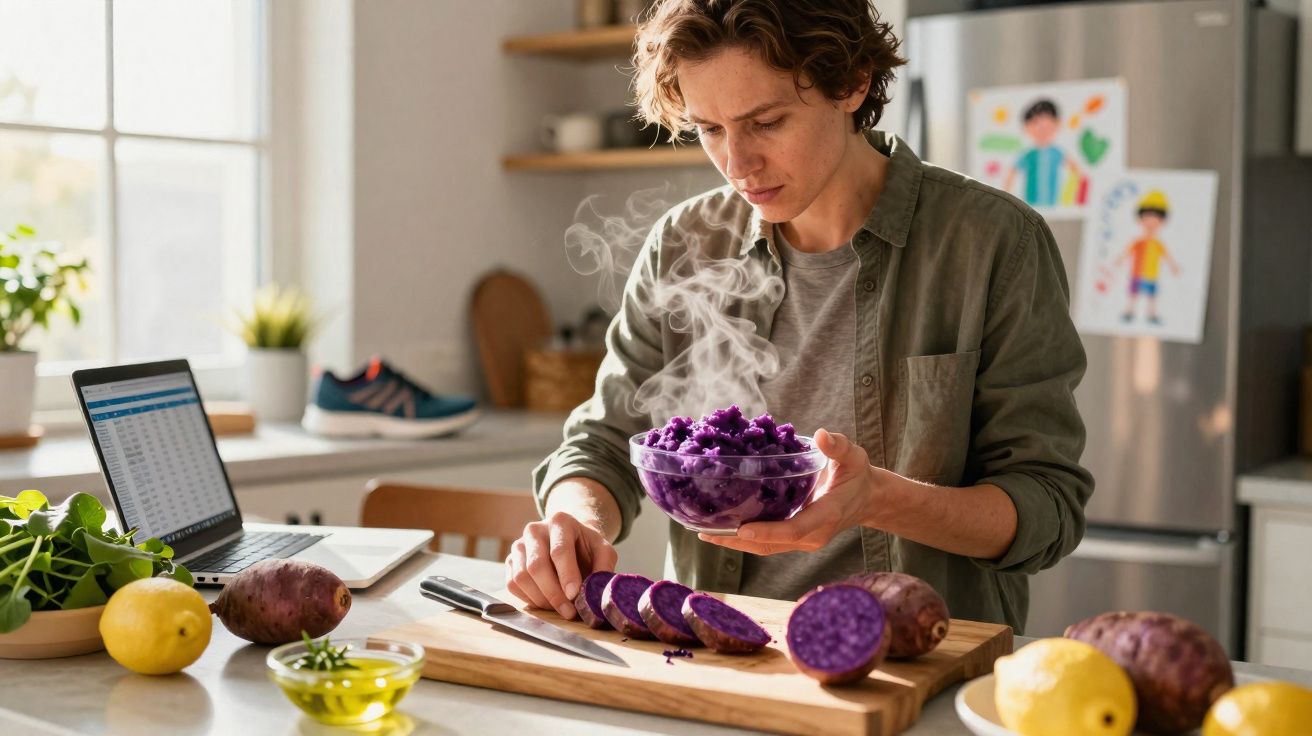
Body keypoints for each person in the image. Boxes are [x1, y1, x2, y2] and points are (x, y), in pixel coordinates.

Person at [506, 0, 1093, 632]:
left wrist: (879, 501)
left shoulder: (994, 244)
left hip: (921, 662)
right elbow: (605, 443)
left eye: (766, 121)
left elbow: (1046, 507)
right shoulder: (685, 244)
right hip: (717, 653)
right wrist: (575, 522)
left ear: (852, 84)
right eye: (709, 129)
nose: (738, 164)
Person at [1003, 98, 1083, 209]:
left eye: (1046, 125)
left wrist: (1071, 195)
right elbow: (1012, 173)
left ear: (1057, 125)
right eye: (1035, 123)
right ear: (1026, 127)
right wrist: (1006, 195)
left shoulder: (1057, 153)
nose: (1041, 128)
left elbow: (1075, 169)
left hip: (1052, 203)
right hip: (1030, 205)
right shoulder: (1028, 155)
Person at [1116, 190, 1181, 325]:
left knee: (1151, 296)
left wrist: (1174, 267)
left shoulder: (1158, 243)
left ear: (1162, 220)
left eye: (1156, 216)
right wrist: (1120, 260)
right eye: (1147, 216)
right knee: (1133, 294)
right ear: (1141, 218)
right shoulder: (1138, 241)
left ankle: (1151, 314)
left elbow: (1166, 256)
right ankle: (1130, 312)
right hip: (1137, 273)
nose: (1151, 221)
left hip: (1151, 275)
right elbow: (1128, 252)